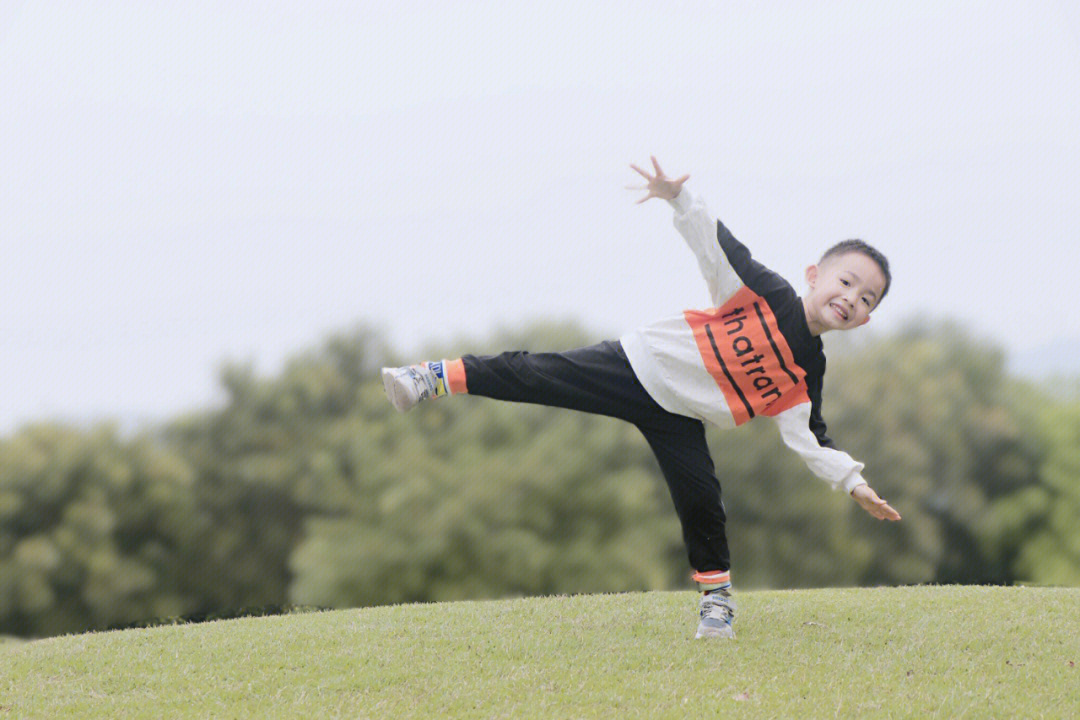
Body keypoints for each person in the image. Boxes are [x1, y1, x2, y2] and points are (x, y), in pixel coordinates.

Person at [381, 157, 901, 640]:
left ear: (866, 318)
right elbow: (717, 246)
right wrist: (681, 199)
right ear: (815, 275)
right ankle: (429, 377)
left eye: (865, 299)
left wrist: (853, 483)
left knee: (702, 502)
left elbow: (809, 435)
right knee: (534, 375)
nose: (851, 299)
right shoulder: (765, 291)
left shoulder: (807, 372)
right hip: (637, 365)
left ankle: (716, 603)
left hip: (679, 415)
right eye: (847, 282)